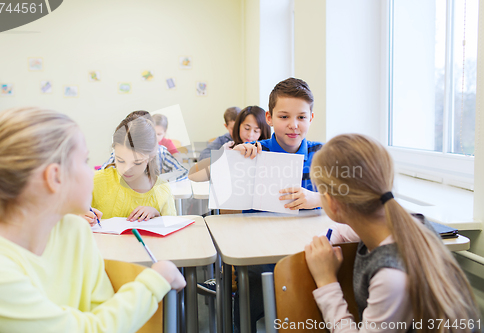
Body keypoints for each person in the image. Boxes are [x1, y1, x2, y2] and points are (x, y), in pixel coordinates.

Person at [0, 107, 186, 332]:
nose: (93, 172)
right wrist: (155, 281)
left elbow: (104, 307)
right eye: (84, 161)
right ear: (55, 177)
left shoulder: (74, 230)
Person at [305, 134, 479, 333]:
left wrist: (326, 281)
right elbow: (345, 230)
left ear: (332, 202)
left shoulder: (390, 276)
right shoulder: (405, 221)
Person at [232, 77, 324, 331]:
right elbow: (205, 176)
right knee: (251, 287)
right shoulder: (253, 151)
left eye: (301, 118)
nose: (293, 125)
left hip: (307, 249)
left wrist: (316, 199)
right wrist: (237, 158)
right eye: (284, 117)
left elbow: (347, 198)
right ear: (269, 119)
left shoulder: (322, 155)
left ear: (311, 118)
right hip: (261, 252)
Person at [90, 113, 176, 224]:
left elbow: (172, 232)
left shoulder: (162, 190)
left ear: (151, 156)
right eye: (120, 160)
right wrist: (77, 218)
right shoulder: (95, 182)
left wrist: (157, 216)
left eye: (137, 163)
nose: (126, 169)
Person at [188, 105, 271, 182]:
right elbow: (193, 175)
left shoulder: (268, 151)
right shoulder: (229, 146)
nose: (250, 134)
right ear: (238, 126)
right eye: (246, 128)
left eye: (256, 131)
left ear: (263, 132)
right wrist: (227, 156)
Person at [100, 111, 188, 182]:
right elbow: (102, 172)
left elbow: (182, 172)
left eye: (137, 162)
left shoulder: (160, 152)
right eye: (121, 161)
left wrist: (161, 181)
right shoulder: (120, 151)